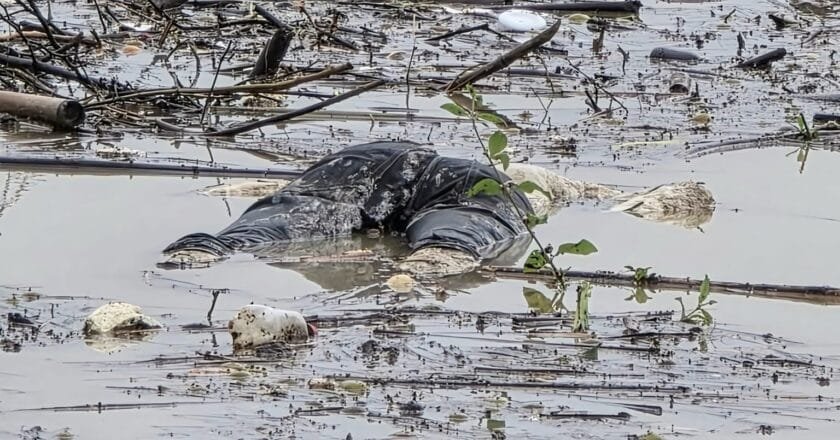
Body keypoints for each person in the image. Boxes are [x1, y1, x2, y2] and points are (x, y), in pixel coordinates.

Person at [161, 141, 715, 276]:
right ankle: (429, 265)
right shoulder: (548, 184)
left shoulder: (543, 180)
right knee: (455, 241)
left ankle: (203, 249)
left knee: (285, 217)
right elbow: (654, 201)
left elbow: (268, 192)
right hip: (471, 190)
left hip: (360, 163)